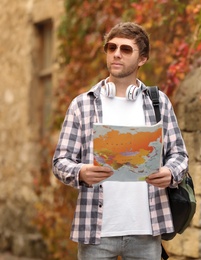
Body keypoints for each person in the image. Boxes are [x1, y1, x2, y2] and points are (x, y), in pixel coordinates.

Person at [52, 22, 189, 259]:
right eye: (111, 47)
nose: (116, 53)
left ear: (142, 59)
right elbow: (60, 161)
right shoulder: (82, 105)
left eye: (126, 49)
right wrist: (81, 172)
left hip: (146, 230)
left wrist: (170, 173)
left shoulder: (158, 102)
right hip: (96, 231)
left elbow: (180, 156)